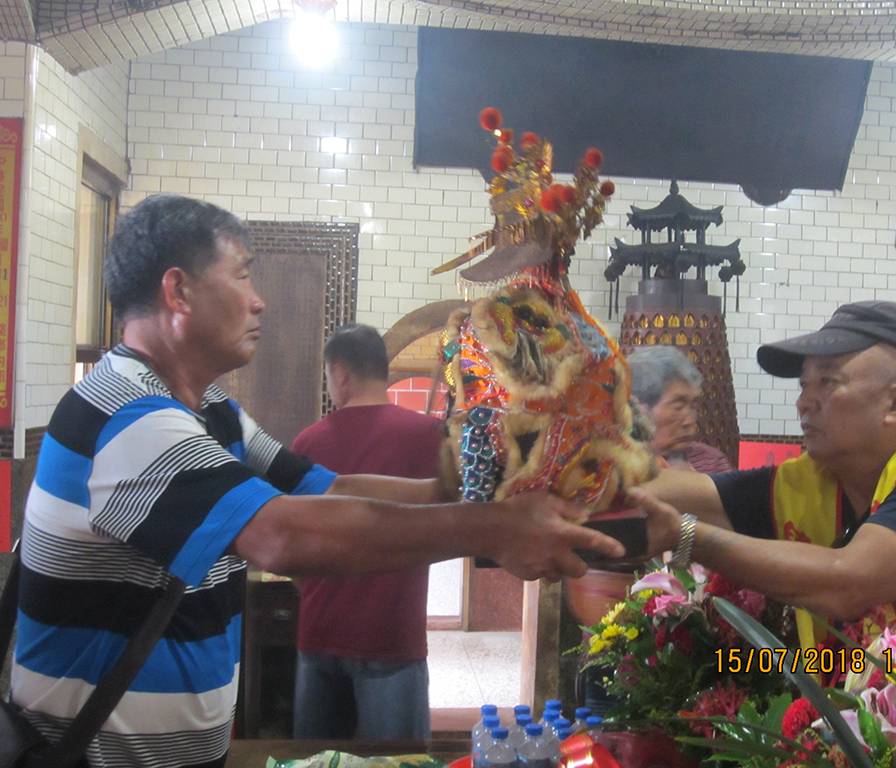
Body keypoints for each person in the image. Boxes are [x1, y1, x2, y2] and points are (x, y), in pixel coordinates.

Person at [10, 195, 680, 768]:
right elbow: (280, 536)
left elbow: (325, 489)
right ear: (178, 291)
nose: (258, 300)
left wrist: (485, 486)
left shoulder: (212, 412)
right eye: (242, 276)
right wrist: (490, 528)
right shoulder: (126, 416)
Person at [632, 301, 896, 651]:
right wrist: (603, 470)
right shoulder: (808, 480)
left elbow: (848, 583)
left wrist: (685, 536)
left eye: (827, 381)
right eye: (804, 384)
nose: (803, 402)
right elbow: (680, 491)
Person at [291, 323, 441, 741]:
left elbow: (290, 540)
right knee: (398, 764)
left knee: (315, 763)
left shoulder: (307, 444)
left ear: (340, 374)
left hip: (320, 631)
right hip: (393, 632)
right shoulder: (428, 437)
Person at [629, 346, 733, 472]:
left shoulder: (711, 464)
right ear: (638, 409)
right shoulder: (614, 466)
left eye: (693, 406)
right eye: (677, 407)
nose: (689, 422)